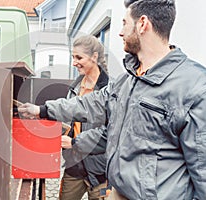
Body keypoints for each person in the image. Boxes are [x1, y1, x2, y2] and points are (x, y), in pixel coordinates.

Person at [19, 0, 206, 199]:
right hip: (117, 191)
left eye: (124, 23)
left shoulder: (194, 86)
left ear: (142, 24)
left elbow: (202, 171)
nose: (120, 32)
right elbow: (88, 104)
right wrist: (42, 110)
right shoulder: (126, 81)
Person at [57, 35, 109, 200]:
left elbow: (112, 132)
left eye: (79, 57)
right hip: (74, 166)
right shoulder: (74, 88)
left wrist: (74, 141)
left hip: (100, 170)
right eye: (73, 57)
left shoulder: (112, 90)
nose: (74, 62)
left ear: (94, 57)